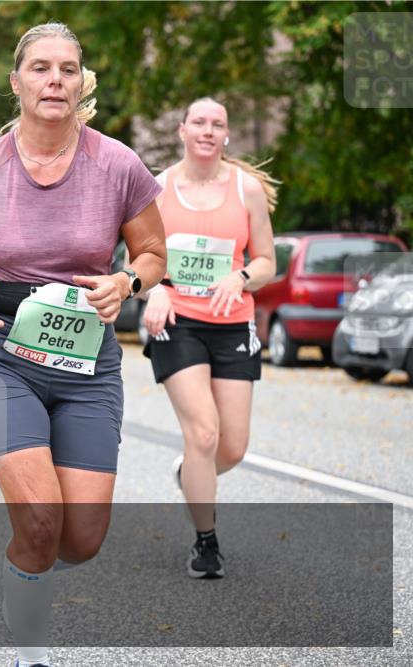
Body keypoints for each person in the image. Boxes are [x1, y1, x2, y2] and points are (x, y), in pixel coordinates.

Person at [0, 23, 166, 667]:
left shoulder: (116, 162)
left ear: (81, 81)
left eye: (67, 69)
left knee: (79, 540)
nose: (55, 80)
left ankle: (31, 571)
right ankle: (29, 649)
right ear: (16, 83)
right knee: (38, 522)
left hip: (88, 367)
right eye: (40, 69)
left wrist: (127, 280)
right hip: (4, 359)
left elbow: (152, 252)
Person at [141, 96, 277, 579]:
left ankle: (190, 475)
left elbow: (266, 261)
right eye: (198, 121)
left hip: (233, 322)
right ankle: (206, 542)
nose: (207, 130)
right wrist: (152, 290)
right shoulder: (155, 188)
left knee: (232, 447)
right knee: (203, 432)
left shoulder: (247, 190)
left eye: (217, 123)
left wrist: (240, 277)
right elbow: (138, 257)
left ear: (225, 135)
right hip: (177, 322)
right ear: (182, 130)